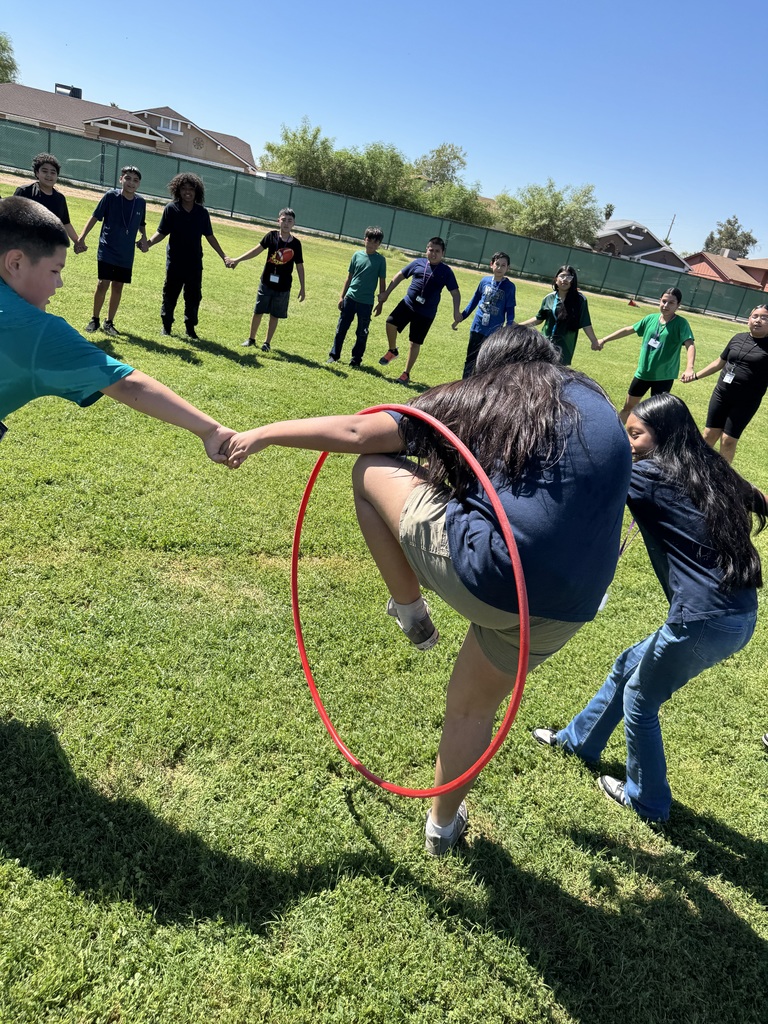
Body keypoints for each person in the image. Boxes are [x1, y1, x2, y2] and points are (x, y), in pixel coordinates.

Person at [223, 326, 632, 855]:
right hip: (568, 605)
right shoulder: (596, 401)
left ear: (491, 368)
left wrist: (263, 434)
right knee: (471, 708)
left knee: (369, 471)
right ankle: (442, 828)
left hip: (495, 573)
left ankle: (411, 611)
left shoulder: (492, 392)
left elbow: (357, 432)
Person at [533, 393, 765, 823]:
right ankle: (579, 742)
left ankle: (648, 801)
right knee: (629, 666)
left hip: (704, 619)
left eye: (635, 434)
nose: (628, 442)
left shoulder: (650, 475)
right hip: (736, 615)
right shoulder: (708, 469)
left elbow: (586, 483)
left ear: (663, 437)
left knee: (641, 698)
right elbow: (758, 497)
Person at [0, 197, 235, 464]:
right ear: (15, 262)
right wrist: (211, 430)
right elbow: (127, 384)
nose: (60, 283)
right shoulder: (37, 330)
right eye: (55, 270)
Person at [144, 173, 229, 341]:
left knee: (193, 297)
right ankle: (166, 326)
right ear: (178, 190)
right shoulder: (171, 209)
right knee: (170, 294)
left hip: (194, 264)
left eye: (191, 189)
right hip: (175, 262)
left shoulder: (202, 213)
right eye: (184, 189)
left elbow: (210, 236)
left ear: (197, 192)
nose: (187, 192)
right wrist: (149, 243)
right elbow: (161, 232)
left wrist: (224, 256)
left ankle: (190, 329)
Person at [680, 304, 768, 463]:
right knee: (708, 434)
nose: (758, 320)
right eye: (755, 316)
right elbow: (719, 362)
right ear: (748, 319)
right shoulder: (738, 338)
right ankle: (696, 470)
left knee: (728, 440)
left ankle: (722, 479)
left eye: (764, 318)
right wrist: (695, 376)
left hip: (746, 401)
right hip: (722, 394)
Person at [597, 288, 695, 422]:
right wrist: (604, 340)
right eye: (664, 301)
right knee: (628, 407)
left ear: (678, 305)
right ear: (659, 301)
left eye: (671, 303)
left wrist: (689, 368)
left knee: (657, 415)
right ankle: (617, 436)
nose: (666, 305)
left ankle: (650, 442)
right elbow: (628, 330)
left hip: (663, 376)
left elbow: (690, 344)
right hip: (643, 373)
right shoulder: (650, 319)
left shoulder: (681, 324)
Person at [375, 237, 461, 386]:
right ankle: (393, 350)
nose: (433, 253)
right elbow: (400, 275)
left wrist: (456, 313)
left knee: (414, 343)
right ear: (426, 250)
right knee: (390, 323)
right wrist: (386, 293)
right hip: (408, 304)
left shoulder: (446, 271)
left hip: (426, 313)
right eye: (431, 250)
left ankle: (406, 373)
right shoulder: (418, 263)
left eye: (437, 251)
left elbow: (455, 293)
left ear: (443, 253)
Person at [77, 166, 148, 337]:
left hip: (126, 253)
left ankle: (109, 322)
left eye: (135, 180)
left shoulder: (141, 202)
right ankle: (94, 319)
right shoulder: (111, 196)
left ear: (139, 184)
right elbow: (95, 216)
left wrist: (143, 238)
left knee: (118, 286)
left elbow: (141, 223)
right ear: (121, 179)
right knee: (103, 283)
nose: (131, 182)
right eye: (128, 178)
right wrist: (82, 237)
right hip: (107, 248)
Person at [226, 208, 306, 352]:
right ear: (278, 221)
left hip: (283, 286)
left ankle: (267, 343)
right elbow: (255, 251)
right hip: (266, 282)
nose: (286, 223)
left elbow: (300, 266)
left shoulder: (296, 244)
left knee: (275, 315)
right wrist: (237, 260)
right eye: (283, 220)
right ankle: (251, 339)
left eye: (289, 221)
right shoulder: (271, 236)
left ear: (294, 223)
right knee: (258, 311)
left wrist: (303, 287)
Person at [326, 227, 386, 368]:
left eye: (375, 242)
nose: (371, 244)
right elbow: (349, 278)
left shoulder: (380, 260)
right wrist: (342, 296)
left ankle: (356, 360)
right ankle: (334, 355)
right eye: (369, 240)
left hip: (366, 303)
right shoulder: (356, 255)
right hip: (350, 299)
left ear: (379, 244)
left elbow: (382, 282)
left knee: (362, 333)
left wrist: (380, 303)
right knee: (341, 329)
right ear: (364, 239)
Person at [519, 265, 598, 366]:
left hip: (564, 347)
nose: (564, 280)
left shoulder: (580, 300)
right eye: (562, 276)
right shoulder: (549, 298)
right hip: (544, 343)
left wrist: (594, 341)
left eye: (569, 277)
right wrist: (518, 325)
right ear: (556, 279)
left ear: (573, 281)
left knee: (556, 375)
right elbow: (539, 319)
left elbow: (586, 323)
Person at [453, 252, 516, 378]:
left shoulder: (509, 287)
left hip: (493, 332)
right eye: (497, 264)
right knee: (470, 359)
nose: (499, 268)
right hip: (477, 327)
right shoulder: (484, 281)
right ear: (491, 265)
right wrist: (462, 317)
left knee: (486, 363)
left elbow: (510, 310)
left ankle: (481, 388)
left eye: (503, 265)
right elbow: (474, 301)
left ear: (508, 268)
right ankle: (465, 385)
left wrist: (508, 329)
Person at [13, 152, 85, 252]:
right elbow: (10, 219)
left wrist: (77, 242)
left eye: (53, 172)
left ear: (57, 175)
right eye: (44, 171)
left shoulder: (60, 199)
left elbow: (65, 223)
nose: (49, 175)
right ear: (37, 173)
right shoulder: (25, 192)